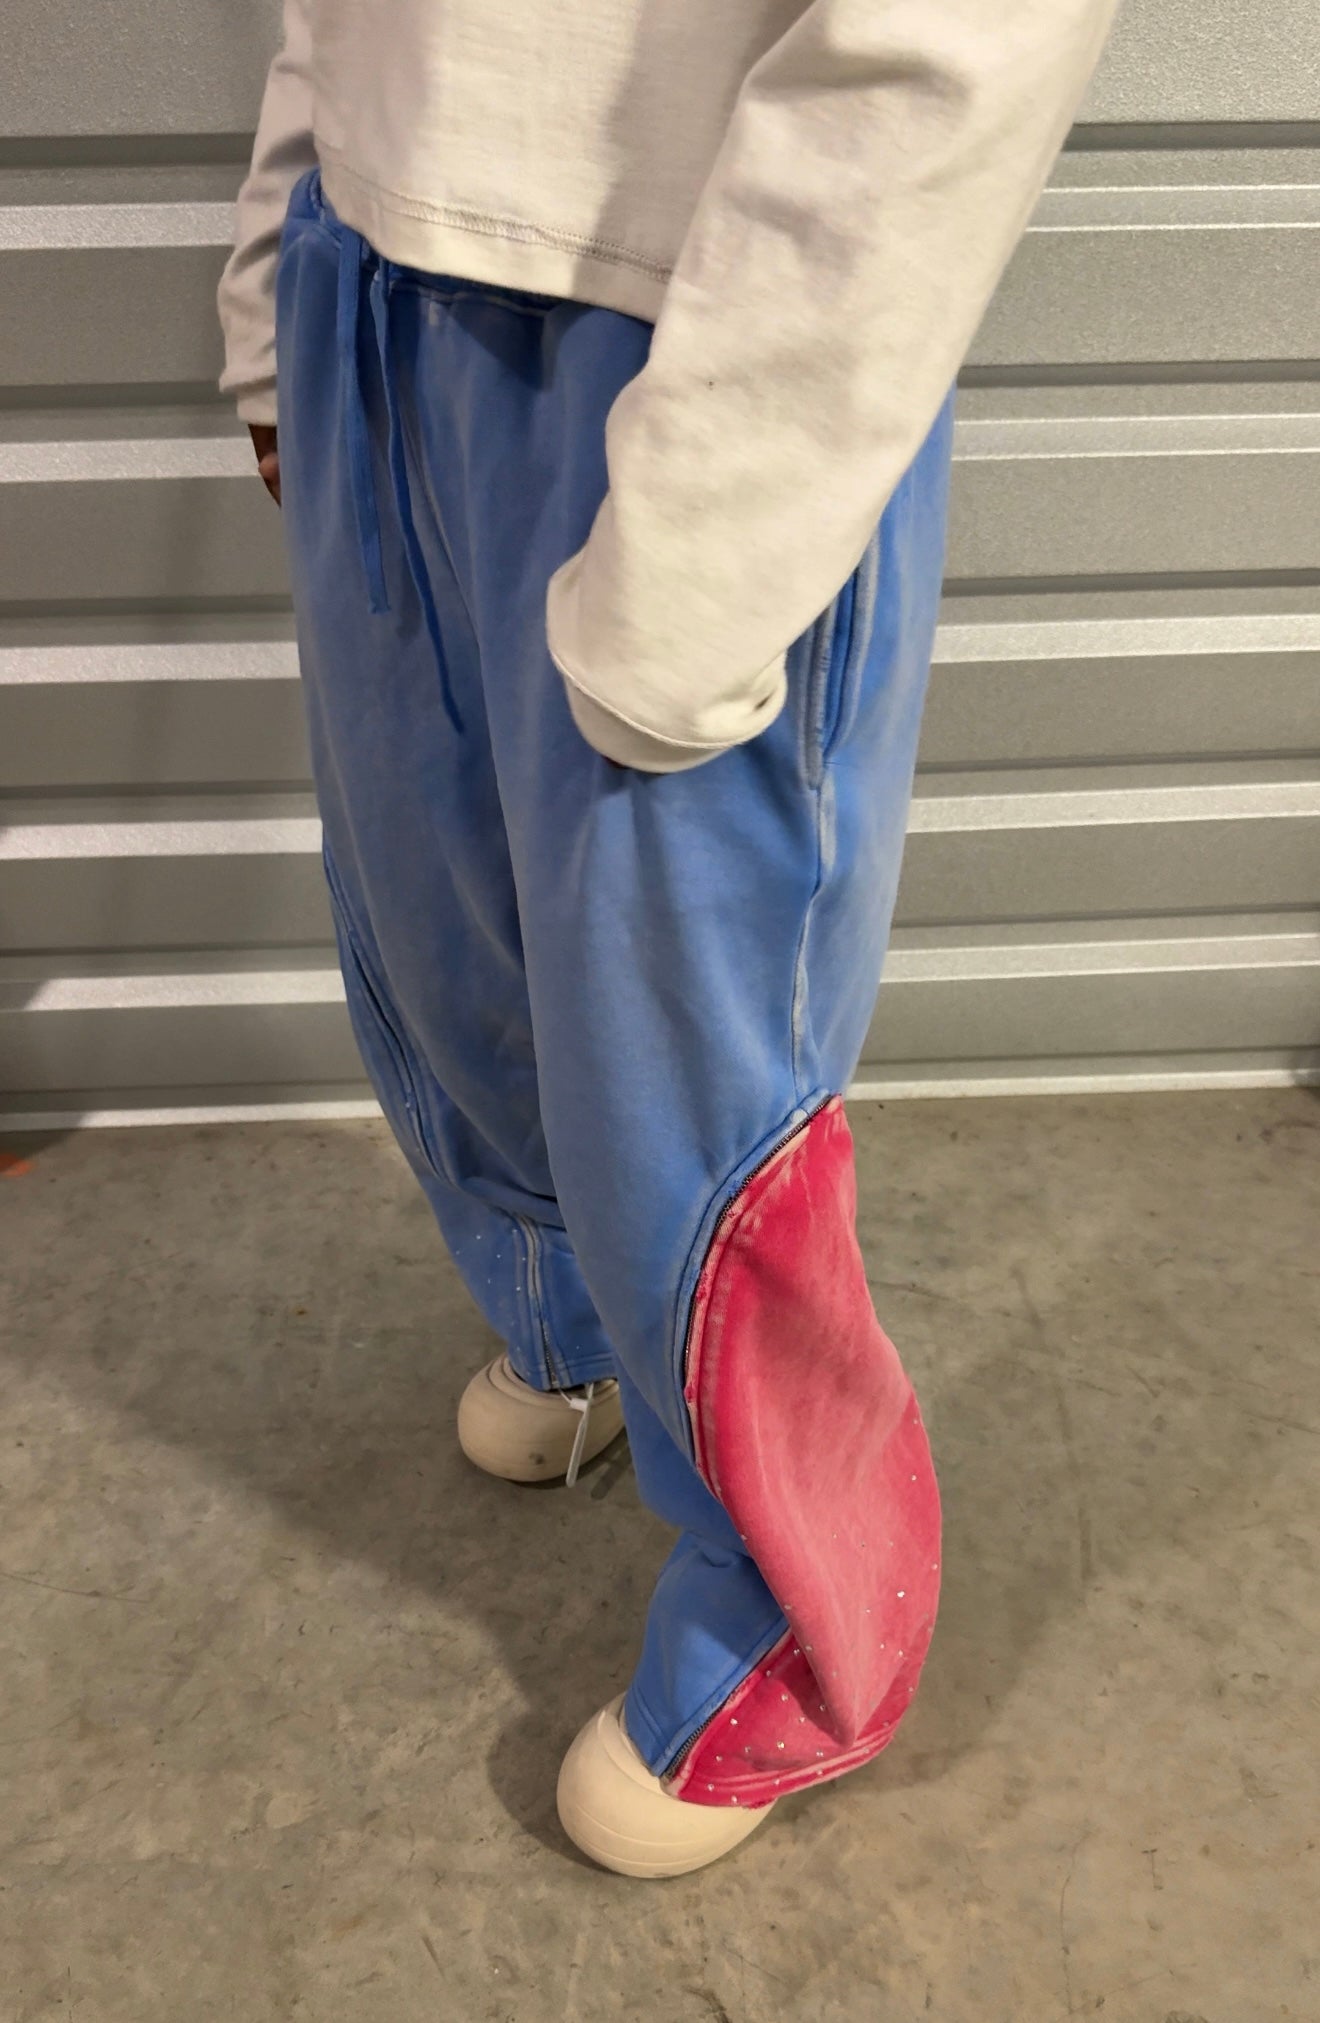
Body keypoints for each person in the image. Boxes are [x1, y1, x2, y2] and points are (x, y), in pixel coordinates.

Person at [219, 0, 1117, 1877]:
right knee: (447, 931)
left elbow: (951, 40)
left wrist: (717, 534)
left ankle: (798, 1624)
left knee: (689, 1062)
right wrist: (285, 240)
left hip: (691, 330)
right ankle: (563, 1321)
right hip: (375, 268)